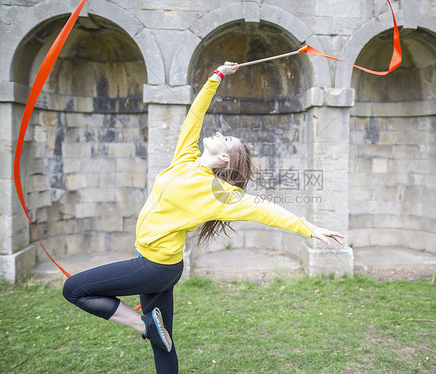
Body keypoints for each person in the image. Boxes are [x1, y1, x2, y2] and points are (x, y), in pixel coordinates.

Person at [62, 62, 344, 373]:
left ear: (225, 157)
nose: (220, 133)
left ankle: (144, 325)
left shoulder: (219, 193)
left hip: (155, 266)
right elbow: (194, 116)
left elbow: (264, 210)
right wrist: (216, 77)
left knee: (74, 289)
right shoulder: (185, 158)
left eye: (227, 139)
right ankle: (152, 330)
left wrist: (310, 228)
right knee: (164, 343)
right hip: (159, 264)